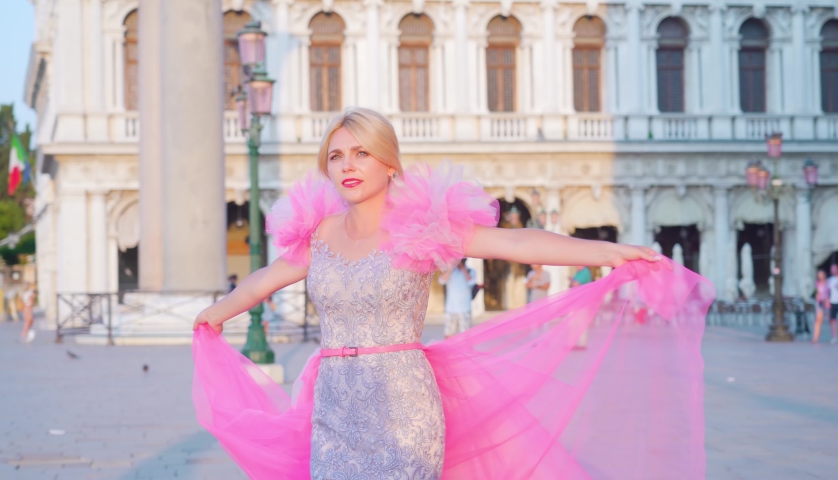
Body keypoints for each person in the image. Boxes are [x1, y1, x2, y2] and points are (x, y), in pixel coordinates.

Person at [191, 108, 710, 479]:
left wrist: (608, 254)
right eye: (336, 156)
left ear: (388, 164)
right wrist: (213, 314)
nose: (347, 165)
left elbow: (515, 242)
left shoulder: (421, 227)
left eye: (361, 153)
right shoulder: (318, 235)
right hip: (333, 405)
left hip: (404, 406)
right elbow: (264, 278)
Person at [438, 258, 476, 338]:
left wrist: (464, 269)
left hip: (465, 309)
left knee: (466, 336)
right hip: (451, 309)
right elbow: (441, 281)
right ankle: (449, 350)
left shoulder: (470, 271)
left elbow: (472, 283)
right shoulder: (451, 272)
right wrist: (451, 269)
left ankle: (466, 350)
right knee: (449, 335)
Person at [812, 270, 831, 344]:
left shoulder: (828, 283)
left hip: (827, 303)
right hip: (820, 303)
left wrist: (828, 300)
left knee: (832, 320)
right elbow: (816, 293)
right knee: (818, 320)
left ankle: (834, 336)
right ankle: (815, 337)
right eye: (819, 275)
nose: (820, 276)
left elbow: (830, 292)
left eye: (821, 275)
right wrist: (817, 297)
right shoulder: (817, 283)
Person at [827, 265, 838, 344]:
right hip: (832, 302)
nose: (833, 270)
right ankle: (835, 336)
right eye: (832, 269)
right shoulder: (829, 280)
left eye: (834, 269)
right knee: (832, 320)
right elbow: (827, 292)